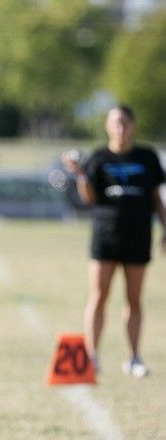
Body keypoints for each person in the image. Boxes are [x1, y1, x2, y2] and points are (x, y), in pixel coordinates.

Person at [62, 104, 166, 378]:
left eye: (125, 122)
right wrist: (80, 174)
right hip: (105, 236)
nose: (121, 128)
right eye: (116, 123)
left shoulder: (147, 157)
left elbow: (157, 198)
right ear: (107, 126)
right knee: (98, 296)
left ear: (133, 125)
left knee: (134, 299)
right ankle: (91, 357)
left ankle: (133, 358)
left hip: (138, 235)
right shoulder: (98, 158)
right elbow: (89, 199)